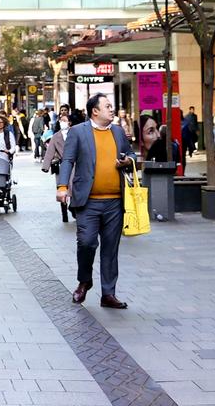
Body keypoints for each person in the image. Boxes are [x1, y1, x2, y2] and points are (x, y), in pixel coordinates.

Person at [56, 94, 135, 309]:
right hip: (87, 201)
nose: (112, 109)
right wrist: (62, 187)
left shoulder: (118, 132)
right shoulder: (78, 132)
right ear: (95, 111)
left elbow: (131, 155)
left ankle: (108, 294)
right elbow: (68, 161)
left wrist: (128, 160)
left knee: (110, 249)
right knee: (87, 242)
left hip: (115, 203)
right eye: (108, 106)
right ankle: (85, 281)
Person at [41, 115, 70, 223]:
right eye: (61, 120)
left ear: (69, 122)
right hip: (61, 166)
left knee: (75, 190)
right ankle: (64, 214)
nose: (63, 122)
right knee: (62, 190)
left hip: (75, 166)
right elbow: (50, 152)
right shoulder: (56, 136)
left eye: (65, 120)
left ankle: (74, 208)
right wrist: (45, 166)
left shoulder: (75, 134)